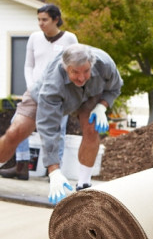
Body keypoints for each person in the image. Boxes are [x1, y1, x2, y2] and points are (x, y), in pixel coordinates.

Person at [0, 44, 123, 204]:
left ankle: (83, 186)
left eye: (86, 71)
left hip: (89, 95)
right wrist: (54, 171)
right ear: (65, 68)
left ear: (91, 64)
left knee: (92, 129)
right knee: (16, 132)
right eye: (75, 72)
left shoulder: (105, 64)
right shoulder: (52, 84)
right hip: (44, 98)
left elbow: (115, 87)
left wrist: (102, 105)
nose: (81, 77)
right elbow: (49, 128)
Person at [0, 4, 77, 180]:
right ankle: (21, 165)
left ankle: (55, 172)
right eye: (39, 20)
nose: (40, 23)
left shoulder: (70, 39)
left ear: (55, 20)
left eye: (45, 20)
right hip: (35, 90)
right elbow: (29, 65)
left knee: (58, 130)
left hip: (58, 94)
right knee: (16, 124)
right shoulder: (34, 38)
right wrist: (31, 85)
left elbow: (75, 64)